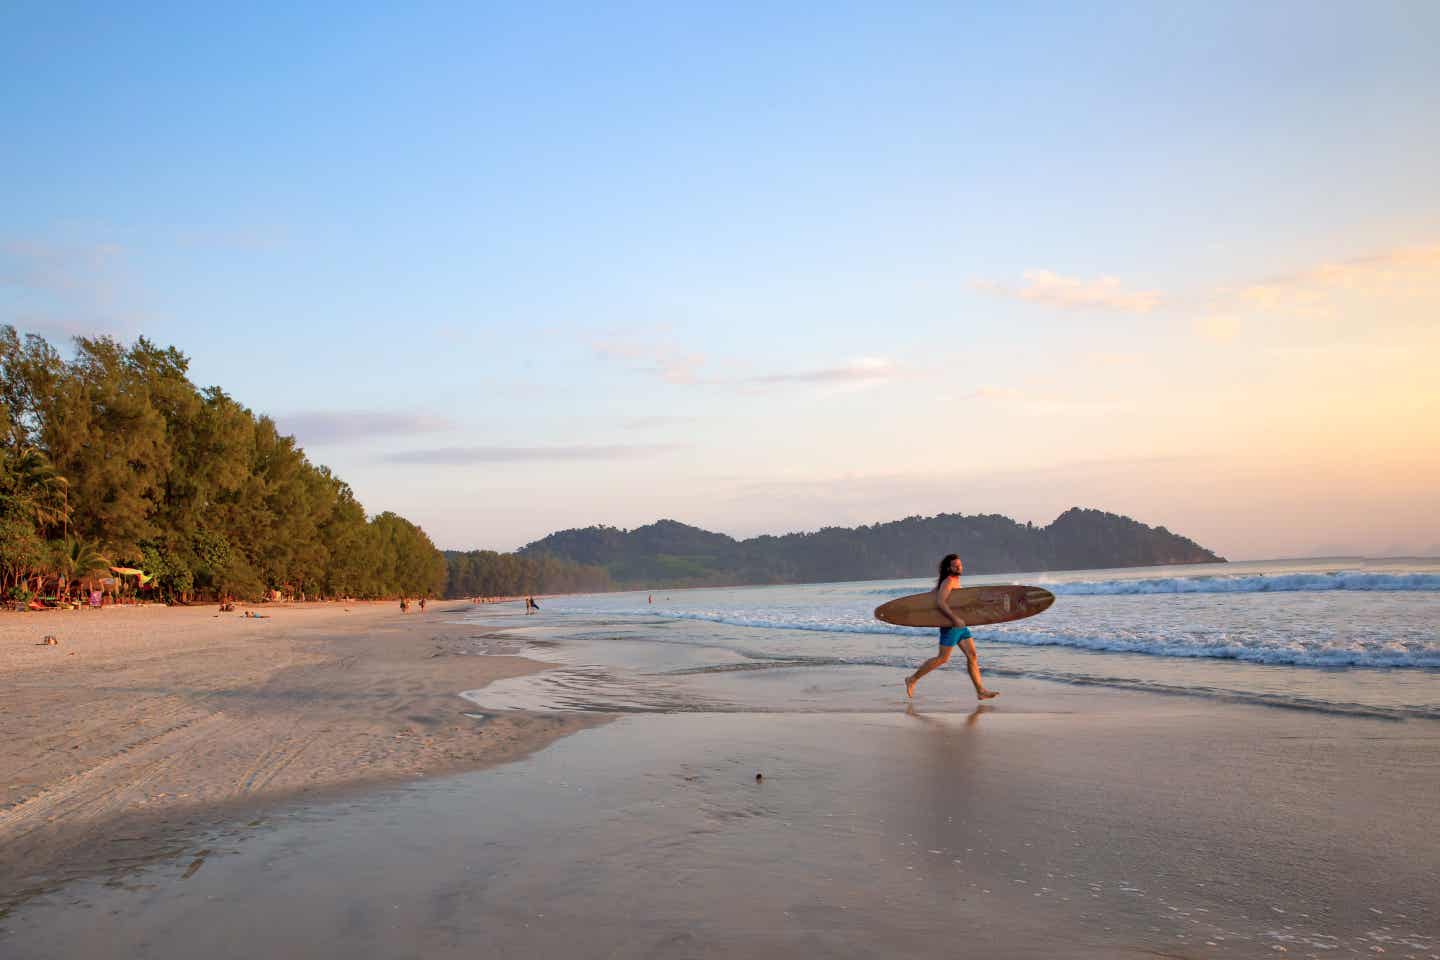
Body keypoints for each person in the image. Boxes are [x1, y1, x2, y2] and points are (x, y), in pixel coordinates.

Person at [905, 554, 998, 701]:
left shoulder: (953, 580)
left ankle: (980, 691)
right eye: (956, 565)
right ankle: (912, 679)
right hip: (951, 626)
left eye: (960, 565)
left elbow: (935, 596)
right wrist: (954, 619)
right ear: (949, 568)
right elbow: (940, 602)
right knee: (942, 658)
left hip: (960, 625)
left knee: (972, 656)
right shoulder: (948, 581)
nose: (959, 567)